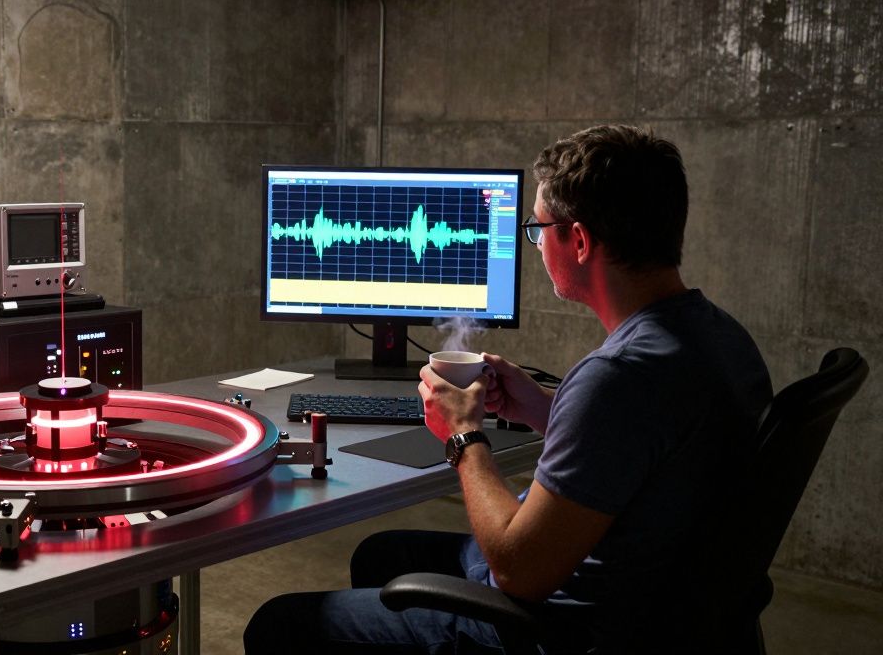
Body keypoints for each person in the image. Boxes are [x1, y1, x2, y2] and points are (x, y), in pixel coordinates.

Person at [243, 125, 772, 654]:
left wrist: (463, 435)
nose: (536, 244)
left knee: (279, 624)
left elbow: (520, 571)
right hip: (663, 605)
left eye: (539, 230)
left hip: (566, 630)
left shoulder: (619, 375)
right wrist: (547, 409)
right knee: (383, 555)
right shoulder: (721, 338)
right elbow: (650, 457)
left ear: (580, 241)